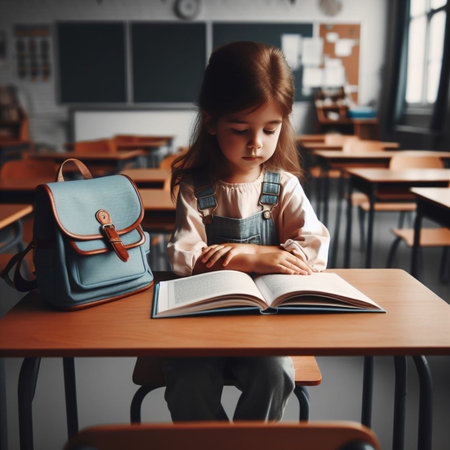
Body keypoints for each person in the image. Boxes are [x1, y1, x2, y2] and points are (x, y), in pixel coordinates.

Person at [164, 41, 330, 422]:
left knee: (276, 374)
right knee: (187, 380)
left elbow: (314, 249)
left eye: (271, 130)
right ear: (211, 122)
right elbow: (183, 258)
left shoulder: (283, 185)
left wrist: (253, 255)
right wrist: (253, 255)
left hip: (263, 328)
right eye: (240, 130)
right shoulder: (197, 188)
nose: (257, 144)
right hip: (202, 321)